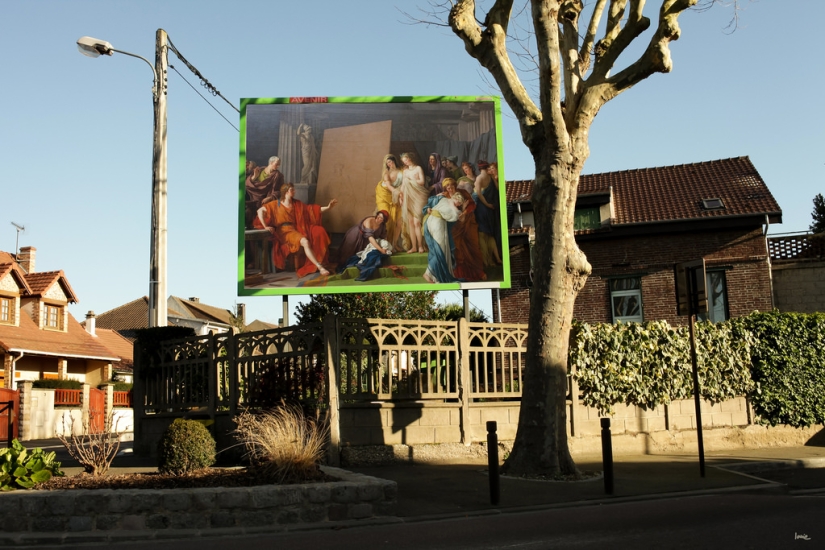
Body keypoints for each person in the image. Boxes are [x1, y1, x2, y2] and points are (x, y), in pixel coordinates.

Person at [253, 182, 337, 277]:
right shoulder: (275, 204)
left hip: (297, 228)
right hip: (284, 232)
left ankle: (318, 265)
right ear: (285, 191)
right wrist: (265, 226)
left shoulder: (297, 204)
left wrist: (328, 207)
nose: (294, 191)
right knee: (305, 242)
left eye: (294, 189)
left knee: (318, 231)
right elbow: (259, 211)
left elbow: (312, 210)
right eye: (292, 190)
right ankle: (320, 267)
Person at [442, 179, 486, 281]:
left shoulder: (463, 192)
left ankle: (479, 272)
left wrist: (464, 212)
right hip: (456, 226)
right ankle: (461, 274)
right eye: (447, 186)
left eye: (451, 185)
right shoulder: (445, 196)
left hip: (469, 223)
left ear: (455, 185)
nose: (449, 188)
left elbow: (472, 204)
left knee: (473, 247)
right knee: (458, 248)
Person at [422, 191, 466, 284]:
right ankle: (427, 273)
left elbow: (432, 200)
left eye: (460, 204)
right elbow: (457, 216)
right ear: (456, 198)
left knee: (438, 250)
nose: (458, 204)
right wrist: (462, 212)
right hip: (437, 225)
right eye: (459, 202)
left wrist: (436, 197)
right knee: (440, 251)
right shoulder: (453, 207)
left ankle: (435, 276)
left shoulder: (442, 199)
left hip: (431, 222)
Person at [399, 152, 429, 254]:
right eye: (404, 161)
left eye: (406, 159)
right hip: (408, 197)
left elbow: (422, 182)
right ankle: (414, 247)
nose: (405, 162)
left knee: (417, 222)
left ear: (410, 158)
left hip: (419, 196)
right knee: (410, 222)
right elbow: (403, 185)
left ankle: (420, 246)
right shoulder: (405, 171)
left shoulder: (418, 168)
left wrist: (411, 180)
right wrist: (401, 197)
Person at [474, 160, 503, 266]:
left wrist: (487, 204)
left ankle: (486, 261)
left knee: (482, 234)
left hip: (481, 208)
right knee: (490, 234)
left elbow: (478, 194)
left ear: (479, 168)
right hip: (489, 208)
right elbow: (497, 188)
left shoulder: (479, 178)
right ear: (486, 168)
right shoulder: (490, 177)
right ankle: (497, 258)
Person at [375, 154, 403, 250]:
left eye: (390, 161)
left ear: (394, 161)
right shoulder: (386, 173)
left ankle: (394, 244)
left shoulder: (401, 170)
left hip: (396, 195)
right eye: (387, 163)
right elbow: (389, 186)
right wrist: (398, 194)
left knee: (399, 222)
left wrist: (400, 194)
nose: (389, 164)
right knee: (387, 219)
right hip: (385, 194)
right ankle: (385, 244)